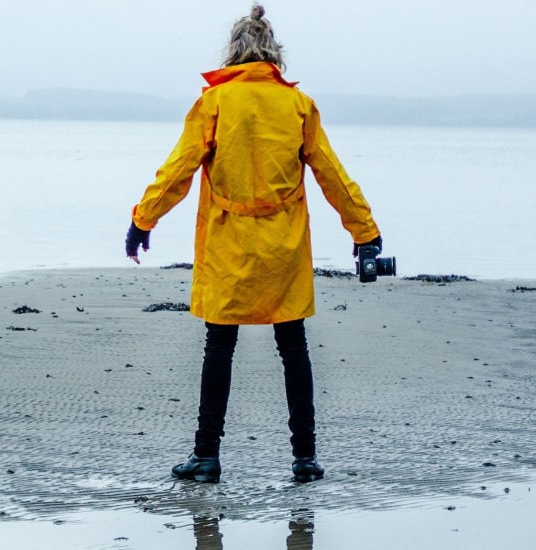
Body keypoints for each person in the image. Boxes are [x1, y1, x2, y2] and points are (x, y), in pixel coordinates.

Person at [125, 4, 382, 483]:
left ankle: (207, 456)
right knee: (294, 348)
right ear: (273, 55)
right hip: (283, 246)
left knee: (219, 347)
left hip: (229, 245)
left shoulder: (214, 104)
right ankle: (304, 458)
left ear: (233, 54)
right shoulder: (298, 106)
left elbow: (179, 169)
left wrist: (143, 219)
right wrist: (364, 233)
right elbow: (331, 174)